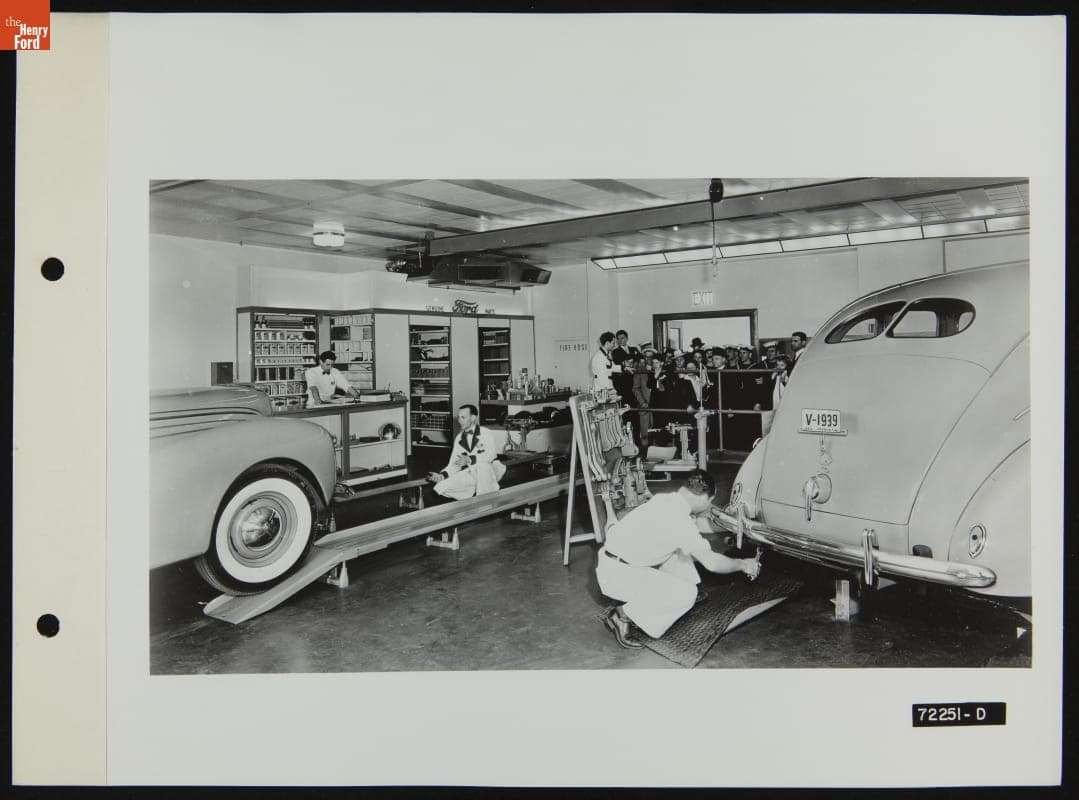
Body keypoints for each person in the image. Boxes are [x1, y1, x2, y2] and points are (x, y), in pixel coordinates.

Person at [596, 469, 762, 647]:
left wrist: (736, 526)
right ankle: (622, 616)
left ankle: (665, 595)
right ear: (705, 497)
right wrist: (744, 564)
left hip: (612, 564)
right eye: (710, 502)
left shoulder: (666, 500)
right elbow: (712, 564)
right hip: (619, 577)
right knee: (687, 594)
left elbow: (696, 525)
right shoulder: (679, 520)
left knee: (681, 550)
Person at [427, 404, 507, 500]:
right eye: (459, 417)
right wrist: (442, 476)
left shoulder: (485, 432)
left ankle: (485, 504)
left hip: (491, 469)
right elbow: (454, 464)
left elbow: (490, 455)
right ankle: (473, 499)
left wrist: (469, 459)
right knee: (443, 486)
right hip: (472, 471)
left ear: (473, 418)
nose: (460, 421)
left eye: (463, 417)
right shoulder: (459, 438)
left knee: (482, 467)